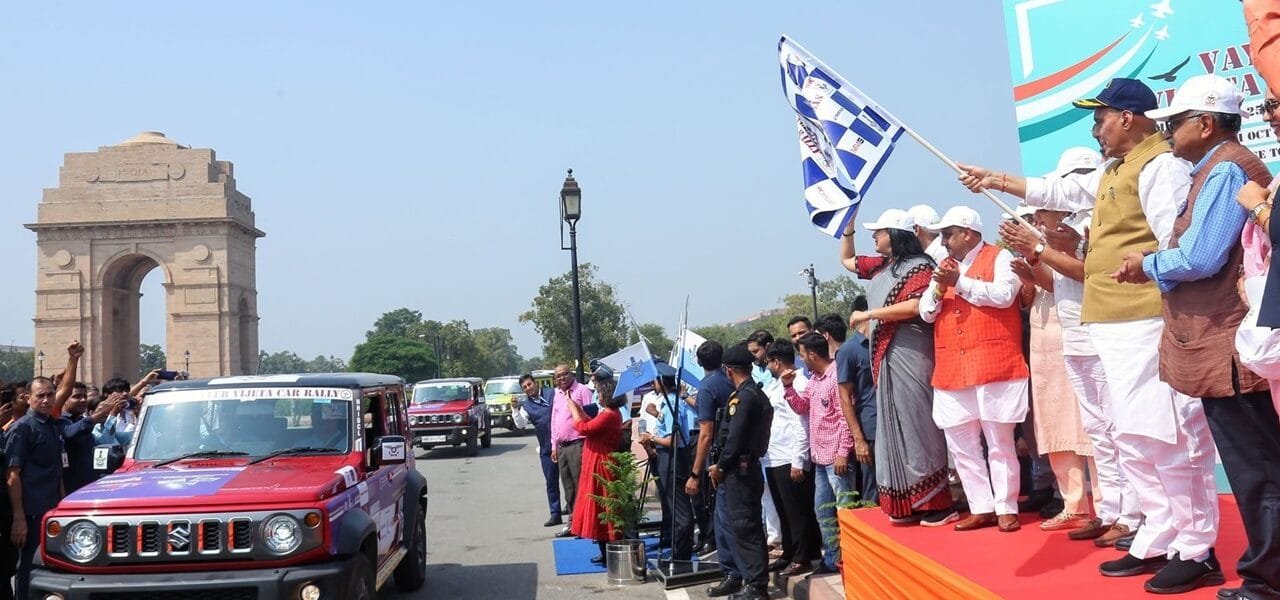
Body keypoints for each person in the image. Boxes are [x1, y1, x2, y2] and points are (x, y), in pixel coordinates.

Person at [958, 78, 1218, 585]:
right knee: (1132, 434)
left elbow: (1171, 245)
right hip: (1114, 323)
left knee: (1166, 434)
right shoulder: (1112, 170)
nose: (1096, 129)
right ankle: (1158, 534)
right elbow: (1055, 190)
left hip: (1146, 319)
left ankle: (1196, 546)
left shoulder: (1160, 166)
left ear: (1127, 116)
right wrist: (995, 179)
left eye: (1100, 118)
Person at [1111, 74, 1268, 594]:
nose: (1169, 133)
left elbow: (1201, 257)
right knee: (1254, 465)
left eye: (1175, 124)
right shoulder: (1213, 170)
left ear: (1205, 123)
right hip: (1216, 341)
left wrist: (1148, 262)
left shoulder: (1225, 171)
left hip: (1227, 343)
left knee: (1256, 469)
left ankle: (1268, 580)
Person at [842, 207, 957, 526]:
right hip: (887, 355)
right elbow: (847, 261)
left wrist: (870, 315)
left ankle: (936, 501)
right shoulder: (882, 267)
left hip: (910, 349)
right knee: (894, 424)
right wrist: (846, 229)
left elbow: (916, 305)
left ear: (895, 235)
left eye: (878, 232)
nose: (874, 237)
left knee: (917, 421)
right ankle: (906, 502)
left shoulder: (919, 266)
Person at [918, 206, 1029, 533]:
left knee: (999, 440)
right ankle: (981, 506)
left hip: (994, 362)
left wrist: (960, 283)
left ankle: (1006, 506)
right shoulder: (943, 266)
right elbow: (926, 313)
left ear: (968, 233)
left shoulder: (1000, 258)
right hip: (953, 367)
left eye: (948, 234)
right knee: (960, 441)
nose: (944, 241)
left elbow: (1005, 296)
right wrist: (939, 288)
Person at [1000, 203, 1102, 536]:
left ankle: (1105, 505)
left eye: (1040, 213)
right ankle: (1073, 503)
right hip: (1045, 338)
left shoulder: (1083, 232)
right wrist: (1030, 267)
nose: (1036, 219)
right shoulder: (1038, 244)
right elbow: (1039, 289)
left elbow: (1075, 277)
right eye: (1033, 215)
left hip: (1077, 331)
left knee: (1091, 424)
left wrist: (1036, 259)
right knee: (1055, 418)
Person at [7, 376, 97, 598]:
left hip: (52, 508)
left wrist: (63, 504)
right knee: (28, 566)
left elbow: (57, 470)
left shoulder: (52, 426)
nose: (46, 400)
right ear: (28, 399)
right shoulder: (22, 428)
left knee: (51, 565)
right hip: (31, 511)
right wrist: (19, 518)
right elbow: (12, 476)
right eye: (40, 396)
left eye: (50, 395)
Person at [783, 332, 854, 575]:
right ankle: (833, 558)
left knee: (845, 509)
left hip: (836, 457)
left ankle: (850, 558)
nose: (801, 359)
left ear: (812, 354)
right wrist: (788, 387)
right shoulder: (815, 379)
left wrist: (844, 451)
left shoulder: (835, 377)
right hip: (820, 458)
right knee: (823, 510)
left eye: (802, 354)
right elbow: (803, 407)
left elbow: (845, 417)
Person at [710, 344, 773, 600]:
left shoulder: (744, 398)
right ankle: (753, 581)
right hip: (744, 469)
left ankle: (756, 586)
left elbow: (734, 439)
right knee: (745, 527)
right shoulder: (750, 394)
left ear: (728, 370)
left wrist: (721, 466)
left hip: (740, 471)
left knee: (746, 528)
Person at [762, 339, 821, 577]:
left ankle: (803, 556)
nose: (767, 366)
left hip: (790, 456)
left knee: (797, 511)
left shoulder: (799, 383)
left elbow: (801, 424)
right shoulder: (776, 385)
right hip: (773, 456)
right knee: (783, 510)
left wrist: (799, 460)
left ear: (776, 361)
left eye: (768, 362)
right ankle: (788, 552)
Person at [686, 341, 741, 596]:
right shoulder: (731, 381)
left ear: (698, 362)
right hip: (737, 454)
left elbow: (706, 434)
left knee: (723, 520)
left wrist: (695, 473)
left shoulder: (708, 387)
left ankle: (732, 572)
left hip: (721, 459)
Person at [814, 314, 877, 505]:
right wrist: (858, 440)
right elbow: (844, 399)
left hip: (891, 424)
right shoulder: (849, 351)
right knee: (872, 489)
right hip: (869, 429)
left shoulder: (881, 343)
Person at [640, 364, 700, 561]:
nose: (653, 385)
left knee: (679, 508)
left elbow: (672, 440)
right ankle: (677, 550)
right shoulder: (668, 403)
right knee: (673, 505)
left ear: (661, 383)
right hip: (669, 456)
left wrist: (651, 438)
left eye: (656, 381)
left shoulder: (672, 404)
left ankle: (681, 552)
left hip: (674, 457)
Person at [566, 365, 625, 564]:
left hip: (601, 462)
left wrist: (574, 410)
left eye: (599, 392)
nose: (597, 395)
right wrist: (580, 410)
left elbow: (584, 428)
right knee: (599, 506)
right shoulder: (609, 413)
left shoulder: (610, 414)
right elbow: (590, 423)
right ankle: (604, 550)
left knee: (602, 506)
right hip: (597, 460)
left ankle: (609, 551)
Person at [550, 364, 593, 538]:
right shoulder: (558, 394)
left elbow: (591, 417)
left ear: (571, 374)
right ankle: (572, 524)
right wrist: (554, 445)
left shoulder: (582, 391)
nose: (561, 378)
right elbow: (554, 421)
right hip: (563, 447)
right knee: (568, 488)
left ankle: (584, 524)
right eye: (558, 376)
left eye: (564, 374)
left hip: (579, 444)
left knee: (580, 485)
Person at [515, 374, 562, 527]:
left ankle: (574, 511)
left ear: (535, 383)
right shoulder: (527, 406)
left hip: (565, 444)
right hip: (546, 448)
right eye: (525, 387)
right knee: (551, 482)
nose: (528, 388)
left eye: (529, 384)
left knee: (570, 481)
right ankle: (555, 514)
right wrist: (515, 409)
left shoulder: (553, 393)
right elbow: (521, 424)